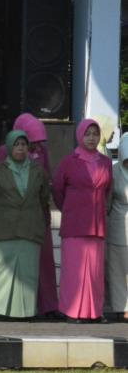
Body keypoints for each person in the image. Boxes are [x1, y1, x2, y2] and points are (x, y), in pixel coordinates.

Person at [0, 130, 51, 321]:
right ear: (9, 147)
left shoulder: (38, 170)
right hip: (4, 227)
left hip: (30, 226)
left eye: (23, 144)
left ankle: (25, 311)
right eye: (16, 144)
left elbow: (44, 197)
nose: (20, 148)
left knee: (27, 272)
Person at [0, 112, 58, 317]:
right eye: (31, 140)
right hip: (13, 216)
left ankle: (48, 306)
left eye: (38, 141)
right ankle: (10, 307)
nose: (34, 145)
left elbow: (48, 177)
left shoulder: (41, 151)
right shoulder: (4, 151)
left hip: (38, 214)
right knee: (13, 261)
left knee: (45, 261)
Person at [53, 118, 111, 324]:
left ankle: (94, 312)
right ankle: (71, 311)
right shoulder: (70, 161)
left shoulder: (105, 162)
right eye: (88, 134)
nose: (92, 138)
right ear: (80, 135)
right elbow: (57, 189)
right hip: (75, 222)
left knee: (95, 272)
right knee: (74, 271)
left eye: (95, 134)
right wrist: (68, 209)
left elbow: (108, 191)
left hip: (96, 224)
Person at [107, 133, 128, 322]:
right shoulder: (114, 172)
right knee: (118, 269)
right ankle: (121, 306)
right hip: (118, 226)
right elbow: (108, 201)